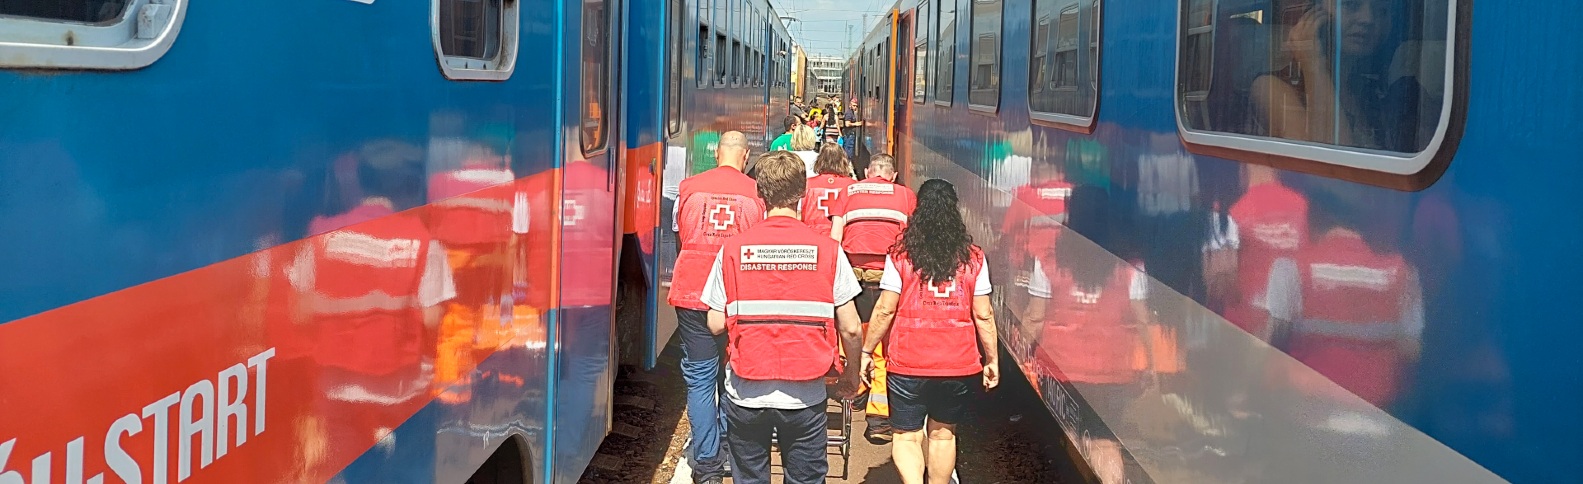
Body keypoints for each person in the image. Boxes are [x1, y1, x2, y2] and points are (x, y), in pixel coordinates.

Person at [703, 151, 864, 484]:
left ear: (760, 194)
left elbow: (715, 323)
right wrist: (851, 375)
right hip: (805, 393)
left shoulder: (733, 249)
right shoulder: (829, 251)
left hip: (746, 392)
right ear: (802, 194)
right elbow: (850, 328)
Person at [861, 179, 998, 484]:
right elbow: (983, 314)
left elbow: (885, 308)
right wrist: (991, 360)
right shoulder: (973, 258)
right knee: (943, 435)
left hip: (908, 362)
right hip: (958, 362)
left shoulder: (901, 255)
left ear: (918, 211)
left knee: (907, 437)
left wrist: (867, 351)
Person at [669, 130, 765, 483]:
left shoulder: (689, 187)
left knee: (698, 378)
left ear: (716, 154)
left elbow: (680, 233)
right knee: (732, 374)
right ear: (745, 155)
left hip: (692, 289)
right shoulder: (756, 194)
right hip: (735, 295)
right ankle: (728, 444)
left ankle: (706, 465)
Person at [830, 154, 917, 441]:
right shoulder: (906, 195)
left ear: (867, 173)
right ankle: (879, 417)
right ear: (892, 176)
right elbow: (912, 241)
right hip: (890, 283)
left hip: (855, 280)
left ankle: (857, 388)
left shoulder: (848, 192)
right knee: (884, 345)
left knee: (856, 336)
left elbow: (835, 238)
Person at [1251, 0, 1399, 150]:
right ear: (1312, 13)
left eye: (1381, 11)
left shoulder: (1371, 91)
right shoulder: (1271, 87)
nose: (1368, 19)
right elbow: (1333, 164)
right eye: (1350, 4)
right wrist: (1312, 63)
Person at [802, 144, 857, 237]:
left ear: (820, 160)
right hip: (842, 236)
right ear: (843, 160)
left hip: (811, 235)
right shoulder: (852, 186)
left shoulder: (807, 184)